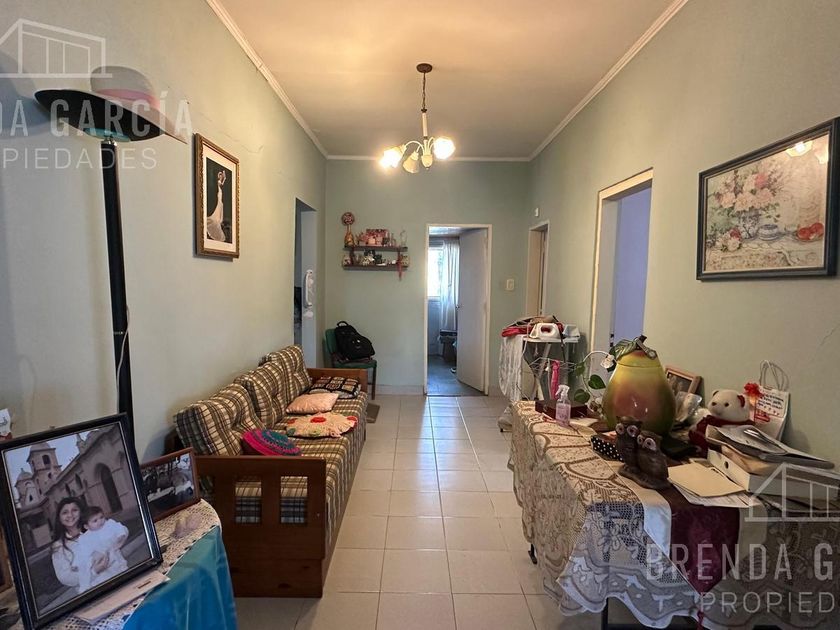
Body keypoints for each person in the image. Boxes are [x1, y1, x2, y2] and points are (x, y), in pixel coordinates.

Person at [50, 498, 109, 592]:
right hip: (91, 591)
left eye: (74, 510)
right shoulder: (58, 546)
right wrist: (93, 571)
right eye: (65, 512)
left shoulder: (95, 528)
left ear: (81, 512)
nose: (70, 515)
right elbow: (65, 577)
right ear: (59, 518)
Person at [75, 506, 128, 591]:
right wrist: (79, 562)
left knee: (122, 576)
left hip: (115, 559)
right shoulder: (85, 538)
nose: (100, 521)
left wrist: (120, 535)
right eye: (95, 521)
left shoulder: (109, 524)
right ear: (86, 526)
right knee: (105, 580)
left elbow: (119, 528)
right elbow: (83, 551)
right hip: (100, 565)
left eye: (101, 517)